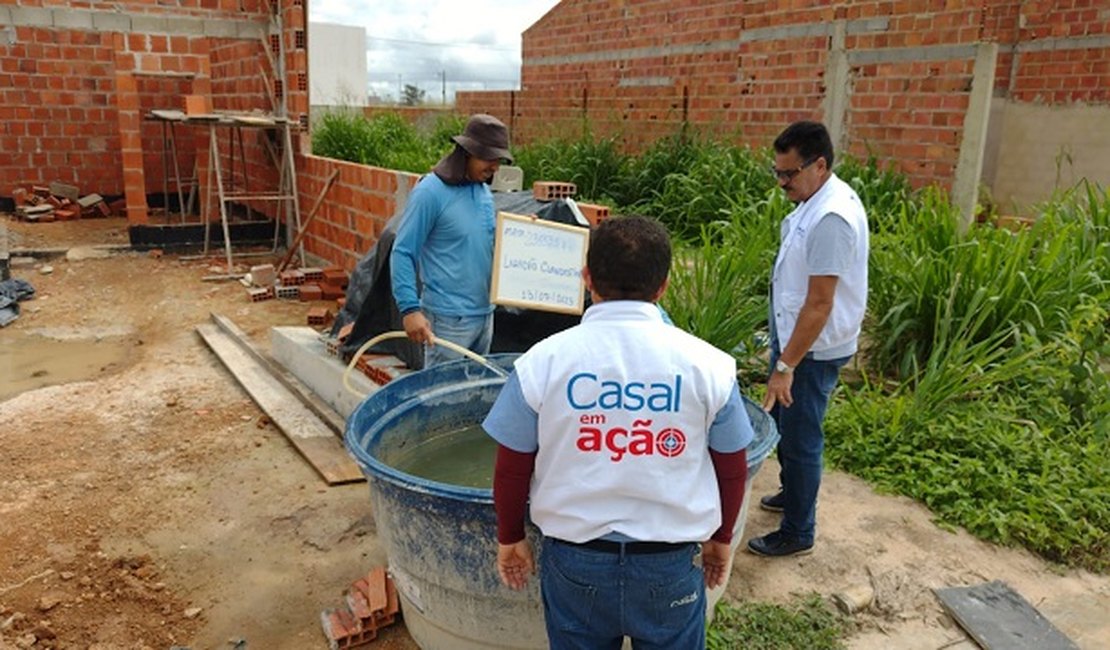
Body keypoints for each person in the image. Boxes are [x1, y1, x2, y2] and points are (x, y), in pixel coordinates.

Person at [483, 216, 755, 649]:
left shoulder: (542, 362)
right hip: (668, 568)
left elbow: (512, 467)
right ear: (663, 286)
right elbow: (733, 468)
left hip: (575, 565)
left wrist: (510, 537)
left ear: (587, 278)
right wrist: (721, 540)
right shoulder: (709, 367)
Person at [747, 121, 869, 558]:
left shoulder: (832, 218)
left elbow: (820, 304)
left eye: (789, 174)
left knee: (801, 437)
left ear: (819, 165)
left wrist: (785, 366)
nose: (782, 183)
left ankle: (798, 531)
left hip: (812, 349)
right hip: (797, 338)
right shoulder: (811, 197)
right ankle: (792, 493)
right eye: (777, 173)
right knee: (786, 425)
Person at [390, 114, 512, 368]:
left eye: (498, 160)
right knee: (441, 400)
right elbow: (402, 252)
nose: (495, 167)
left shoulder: (482, 191)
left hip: (485, 315)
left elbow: (482, 242)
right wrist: (410, 309)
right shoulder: (430, 192)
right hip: (448, 320)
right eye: (489, 159)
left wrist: (522, 236)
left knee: (472, 397)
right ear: (467, 152)